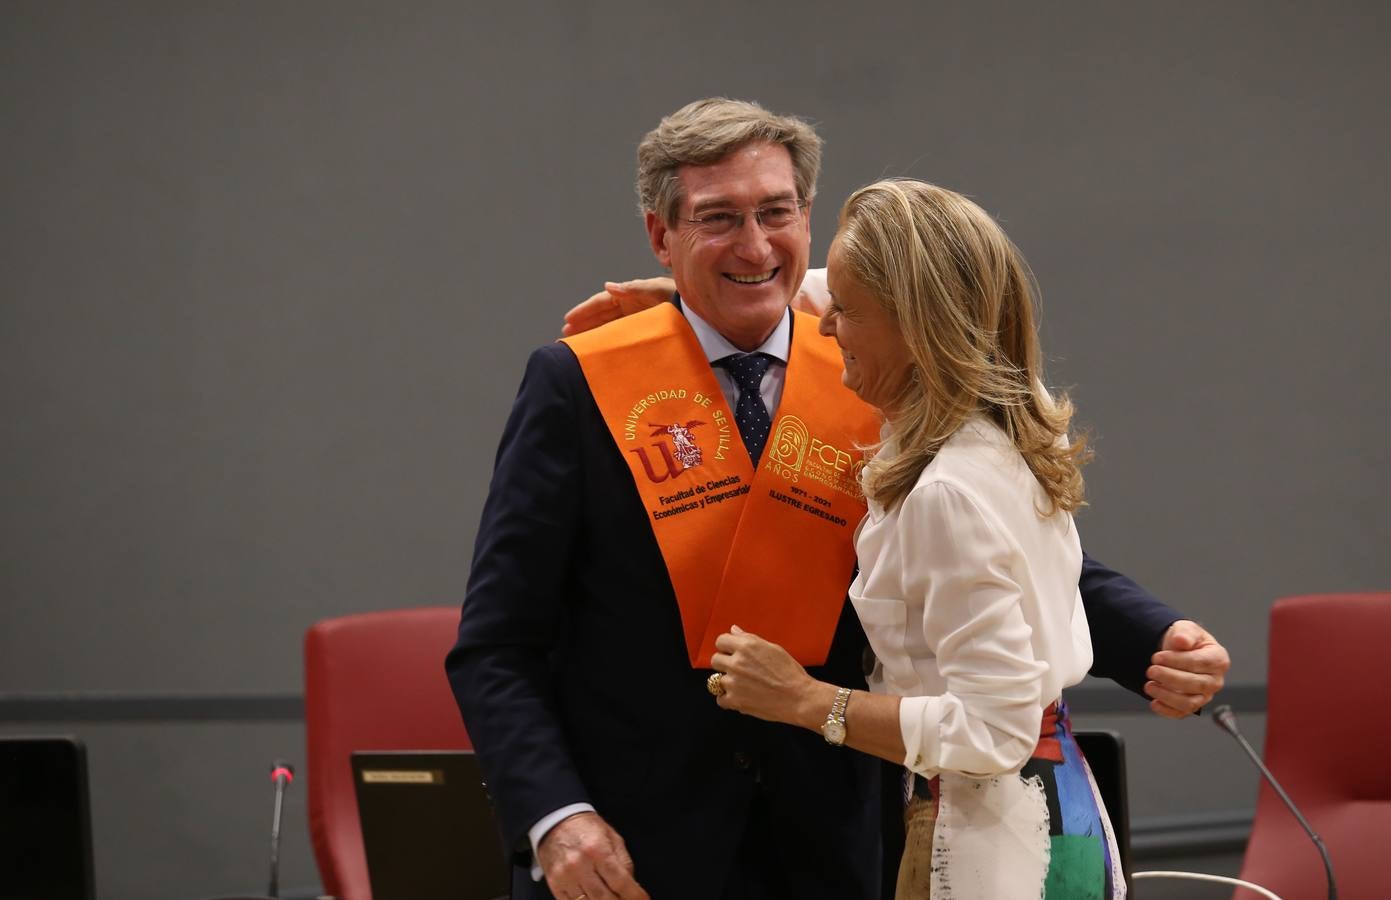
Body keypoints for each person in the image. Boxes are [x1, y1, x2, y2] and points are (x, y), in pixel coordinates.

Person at [447, 98, 1226, 900]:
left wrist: (1151, 638)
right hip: (632, 849)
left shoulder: (875, 362)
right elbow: (498, 642)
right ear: (660, 234)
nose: (753, 246)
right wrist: (554, 816)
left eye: (775, 212)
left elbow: (982, 547)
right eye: (717, 219)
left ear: (807, 215)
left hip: (836, 844)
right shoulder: (581, 381)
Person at [709, 177, 1123, 897]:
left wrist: (802, 700)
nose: (825, 324)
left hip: (993, 838)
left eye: (845, 311)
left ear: (915, 325)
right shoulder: (1000, 435)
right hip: (1048, 810)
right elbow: (886, 280)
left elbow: (993, 733)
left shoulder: (944, 495)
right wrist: (678, 298)